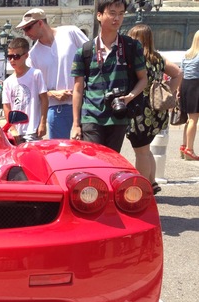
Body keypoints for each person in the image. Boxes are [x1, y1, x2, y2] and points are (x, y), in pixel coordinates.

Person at [71, 0, 148, 153]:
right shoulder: (84, 51)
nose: (117, 18)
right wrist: (75, 124)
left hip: (118, 115)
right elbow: (78, 89)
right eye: (112, 13)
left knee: (111, 161)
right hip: (91, 115)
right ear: (99, 15)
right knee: (93, 161)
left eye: (121, 14)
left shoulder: (131, 46)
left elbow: (143, 79)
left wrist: (129, 97)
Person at [125, 24, 182, 192]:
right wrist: (167, 91)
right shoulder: (158, 58)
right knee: (146, 148)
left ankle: (142, 188)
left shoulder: (136, 58)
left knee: (141, 152)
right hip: (155, 109)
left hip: (139, 110)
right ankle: (152, 182)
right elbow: (178, 73)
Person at [17, 8, 88, 139]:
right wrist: (52, 93)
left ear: (40, 23)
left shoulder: (70, 32)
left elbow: (92, 57)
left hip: (85, 104)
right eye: (24, 30)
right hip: (57, 110)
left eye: (28, 28)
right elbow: (35, 88)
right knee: (61, 156)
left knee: (88, 153)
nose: (26, 33)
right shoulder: (33, 54)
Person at [2, 37, 48, 140]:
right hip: (15, 132)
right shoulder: (8, 82)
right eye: (9, 57)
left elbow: (44, 99)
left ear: (26, 55)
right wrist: (12, 128)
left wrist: (43, 123)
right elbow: (7, 106)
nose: (12, 60)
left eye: (16, 56)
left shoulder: (36, 74)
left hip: (33, 129)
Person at [179, 29, 199, 161]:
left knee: (188, 118)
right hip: (195, 85)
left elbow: (181, 72)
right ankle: (189, 150)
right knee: (194, 119)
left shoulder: (187, 54)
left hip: (185, 85)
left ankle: (184, 145)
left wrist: (179, 90)